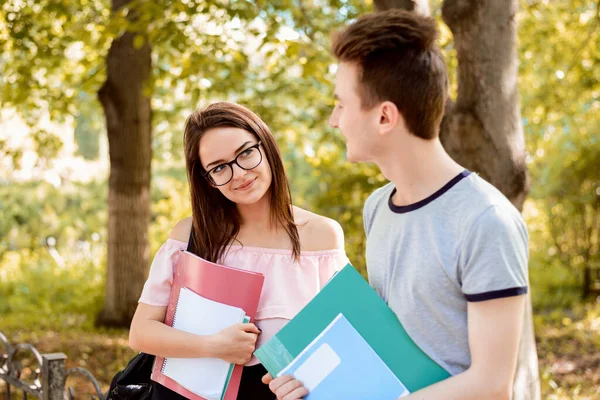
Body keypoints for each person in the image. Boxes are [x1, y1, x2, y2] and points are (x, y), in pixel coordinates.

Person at [265, 10, 529, 400]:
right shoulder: (378, 208)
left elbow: (491, 385)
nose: (333, 120)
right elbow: (385, 348)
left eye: (341, 104)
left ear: (385, 116)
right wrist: (311, 383)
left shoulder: (486, 221)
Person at [128, 102, 348, 400]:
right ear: (207, 180)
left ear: (265, 145)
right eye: (219, 167)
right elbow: (140, 332)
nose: (239, 173)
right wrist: (213, 345)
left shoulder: (321, 237)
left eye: (245, 153)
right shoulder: (191, 236)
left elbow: (342, 341)